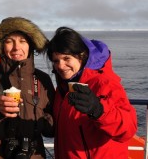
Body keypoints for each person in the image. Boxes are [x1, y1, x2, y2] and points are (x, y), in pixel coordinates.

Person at [0, 17, 55, 159]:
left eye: (22, 41)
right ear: (1, 46)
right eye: (9, 41)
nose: (16, 47)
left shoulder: (42, 79)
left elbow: (52, 127)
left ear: (31, 45)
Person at [46, 27, 137, 158]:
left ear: (81, 56)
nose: (60, 65)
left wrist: (99, 110)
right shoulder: (62, 90)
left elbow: (127, 129)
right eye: (56, 61)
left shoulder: (104, 83)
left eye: (67, 58)